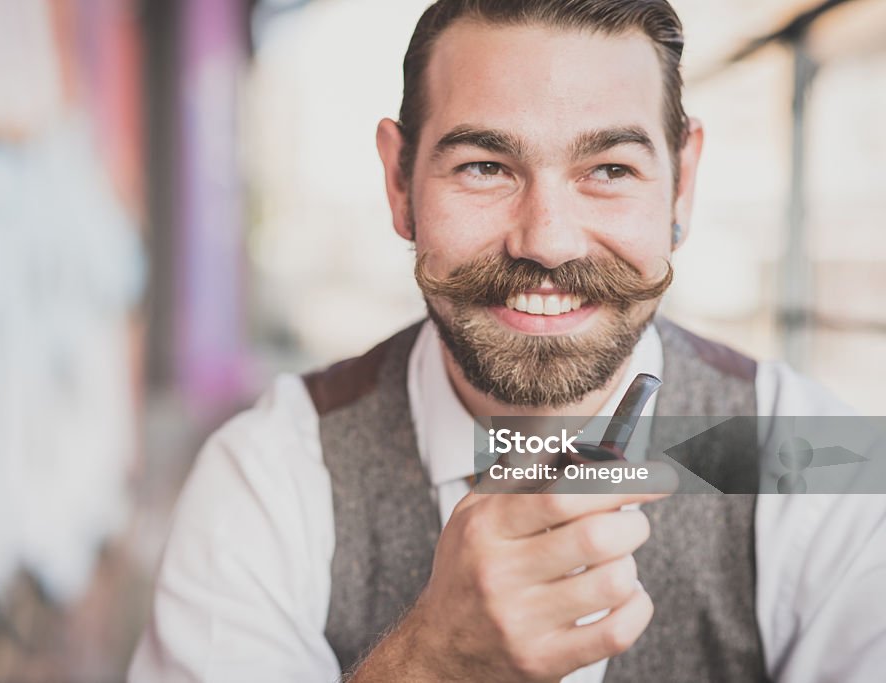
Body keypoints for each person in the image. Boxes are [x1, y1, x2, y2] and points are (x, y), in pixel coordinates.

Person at [130, 1, 886, 681]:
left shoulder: (818, 454)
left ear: (681, 186)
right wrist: (430, 664)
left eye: (610, 168)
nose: (547, 242)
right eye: (484, 166)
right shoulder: (270, 474)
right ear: (400, 184)